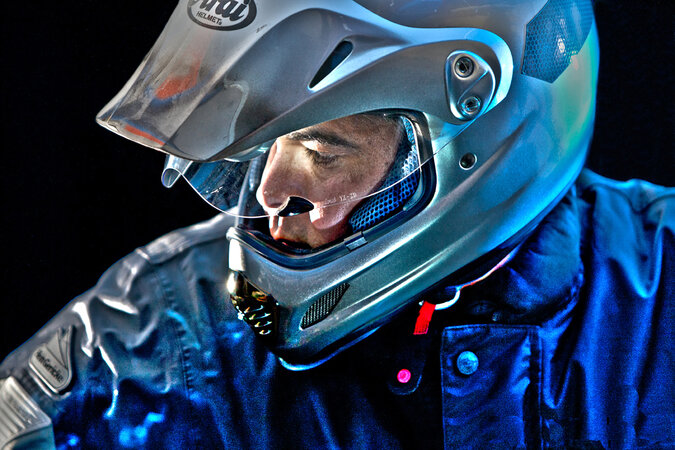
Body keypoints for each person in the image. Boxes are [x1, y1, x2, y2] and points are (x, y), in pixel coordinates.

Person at [1, 0, 672, 448]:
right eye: (258, 137)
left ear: (473, 146)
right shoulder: (147, 343)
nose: (270, 191)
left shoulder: (659, 297)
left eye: (321, 149)